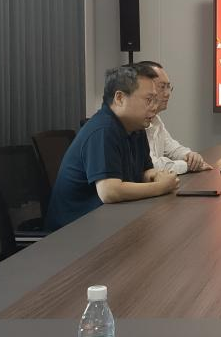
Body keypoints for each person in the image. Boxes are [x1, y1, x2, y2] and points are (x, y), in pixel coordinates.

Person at [45, 64, 179, 230]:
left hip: (108, 220)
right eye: (148, 100)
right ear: (120, 98)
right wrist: (161, 187)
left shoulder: (136, 128)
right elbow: (109, 191)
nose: (154, 106)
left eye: (155, 100)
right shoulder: (103, 130)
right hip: (73, 232)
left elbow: (144, 172)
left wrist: (157, 176)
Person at [136, 60, 212, 174]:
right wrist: (187, 166)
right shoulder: (136, 123)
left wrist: (190, 156)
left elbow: (172, 148)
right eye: (162, 87)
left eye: (169, 87)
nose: (168, 93)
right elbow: (151, 165)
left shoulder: (156, 120)